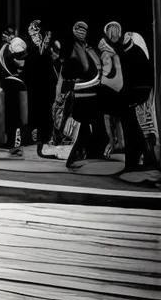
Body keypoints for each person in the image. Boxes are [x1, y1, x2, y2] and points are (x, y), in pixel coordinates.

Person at [106, 22, 160, 180]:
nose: (113, 36)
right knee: (134, 130)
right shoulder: (125, 50)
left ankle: (135, 162)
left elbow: (131, 74)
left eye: (114, 33)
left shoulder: (126, 51)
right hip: (133, 95)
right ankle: (136, 162)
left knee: (135, 130)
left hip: (134, 96)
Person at [61, 21, 104, 169]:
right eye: (79, 29)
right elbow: (76, 69)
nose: (82, 32)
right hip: (83, 93)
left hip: (91, 92)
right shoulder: (75, 47)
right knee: (85, 126)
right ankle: (80, 155)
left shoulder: (87, 46)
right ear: (73, 30)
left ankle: (91, 153)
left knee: (89, 126)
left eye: (84, 29)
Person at [25, 20, 61, 158]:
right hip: (42, 83)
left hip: (40, 83)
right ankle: (41, 145)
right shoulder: (40, 46)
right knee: (43, 113)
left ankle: (41, 145)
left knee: (42, 113)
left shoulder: (38, 46)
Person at [0, 33, 29, 156]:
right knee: (14, 115)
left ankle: (15, 143)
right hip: (13, 85)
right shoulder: (8, 50)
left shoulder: (7, 49)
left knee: (15, 115)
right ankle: (14, 142)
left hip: (13, 85)